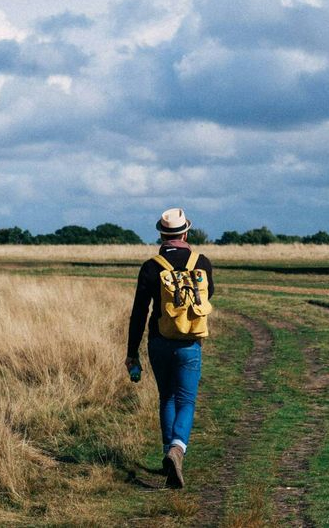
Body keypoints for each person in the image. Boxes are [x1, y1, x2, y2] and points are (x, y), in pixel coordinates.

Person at [126, 207, 214, 489]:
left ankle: (168, 455)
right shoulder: (203, 263)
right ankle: (178, 449)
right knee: (186, 400)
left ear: (162, 235)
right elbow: (206, 296)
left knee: (167, 398)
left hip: (159, 341)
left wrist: (131, 352)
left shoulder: (151, 266)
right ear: (186, 232)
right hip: (190, 342)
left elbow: (139, 312)